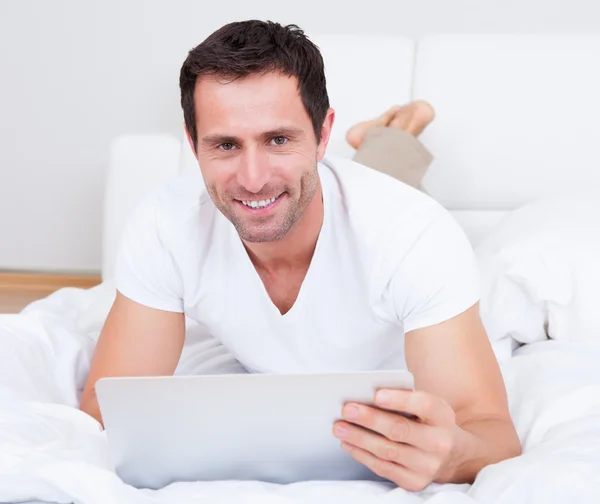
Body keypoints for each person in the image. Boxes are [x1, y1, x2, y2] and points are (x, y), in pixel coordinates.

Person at [80, 20, 521, 491]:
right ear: (193, 143)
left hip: (371, 212)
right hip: (328, 193)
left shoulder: (412, 234)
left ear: (323, 132)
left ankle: (398, 131)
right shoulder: (165, 226)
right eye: (226, 144)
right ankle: (370, 141)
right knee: (294, 190)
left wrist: (451, 458)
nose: (251, 178)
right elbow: (106, 415)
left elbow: (491, 433)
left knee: (381, 181)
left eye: (279, 139)